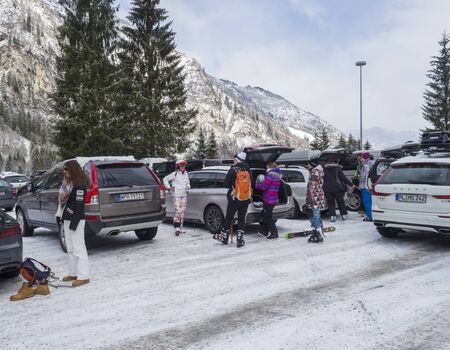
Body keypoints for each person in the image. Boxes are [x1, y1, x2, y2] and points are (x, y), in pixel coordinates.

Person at [59, 160, 90, 287]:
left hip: (76, 221)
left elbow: (79, 207)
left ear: (73, 169)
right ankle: (73, 273)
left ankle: (84, 276)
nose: (64, 171)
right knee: (70, 248)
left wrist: (74, 224)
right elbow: (63, 201)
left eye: (66, 169)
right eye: (64, 169)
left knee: (79, 248)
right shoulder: (68, 184)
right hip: (67, 219)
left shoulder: (80, 185)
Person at [213, 152, 252, 248]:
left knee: (229, 217)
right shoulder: (248, 170)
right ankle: (240, 239)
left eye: (234, 160)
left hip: (234, 198)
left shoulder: (233, 170)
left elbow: (226, 184)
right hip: (246, 198)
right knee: (241, 218)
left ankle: (224, 237)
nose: (233, 161)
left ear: (237, 160)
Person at [163, 160, 190, 235]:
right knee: (178, 210)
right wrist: (169, 187)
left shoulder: (186, 174)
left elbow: (188, 183)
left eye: (184, 165)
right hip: (176, 195)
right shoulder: (174, 174)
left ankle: (180, 228)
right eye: (182, 166)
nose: (183, 167)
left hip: (184, 195)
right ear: (178, 166)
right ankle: (176, 227)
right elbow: (165, 179)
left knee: (182, 211)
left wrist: (188, 187)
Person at [323, 155, 354, 222]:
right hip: (337, 188)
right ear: (335, 162)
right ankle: (343, 215)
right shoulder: (337, 169)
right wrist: (351, 184)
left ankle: (332, 216)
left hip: (328, 189)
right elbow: (343, 178)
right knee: (340, 202)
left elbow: (323, 179)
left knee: (330, 203)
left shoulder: (324, 169)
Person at [255, 161, 282, 239]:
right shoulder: (277, 176)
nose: (266, 169)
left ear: (270, 167)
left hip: (269, 199)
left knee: (268, 216)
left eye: (266, 168)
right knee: (264, 214)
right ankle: (264, 231)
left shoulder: (270, 176)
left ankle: (274, 233)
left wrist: (257, 185)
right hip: (272, 198)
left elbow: (264, 187)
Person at [306, 159, 326, 243]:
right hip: (319, 196)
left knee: (315, 216)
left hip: (314, 197)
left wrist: (309, 200)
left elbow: (312, 187)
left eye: (308, 164)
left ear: (312, 164)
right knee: (317, 214)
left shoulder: (314, 172)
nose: (307, 166)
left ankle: (318, 234)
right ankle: (319, 231)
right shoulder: (320, 171)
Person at [358, 152, 373, 221]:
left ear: (364, 158)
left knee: (367, 201)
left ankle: (370, 217)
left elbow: (364, 176)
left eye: (362, 158)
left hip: (365, 185)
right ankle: (372, 215)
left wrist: (358, 177)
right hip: (371, 185)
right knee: (371, 201)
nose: (361, 159)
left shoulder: (365, 165)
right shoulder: (372, 163)